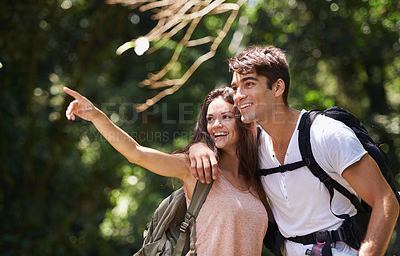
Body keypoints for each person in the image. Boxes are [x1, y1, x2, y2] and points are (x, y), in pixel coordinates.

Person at [187, 46, 399, 255]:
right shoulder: (255, 146)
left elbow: (385, 200)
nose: (238, 96)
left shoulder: (326, 134)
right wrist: (198, 147)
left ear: (278, 88)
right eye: (235, 88)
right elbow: (219, 147)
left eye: (249, 84)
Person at [63, 86, 268, 255]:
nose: (216, 125)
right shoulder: (195, 169)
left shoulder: (259, 179)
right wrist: (98, 117)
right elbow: (136, 153)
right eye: (210, 119)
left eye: (226, 117)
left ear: (243, 121)